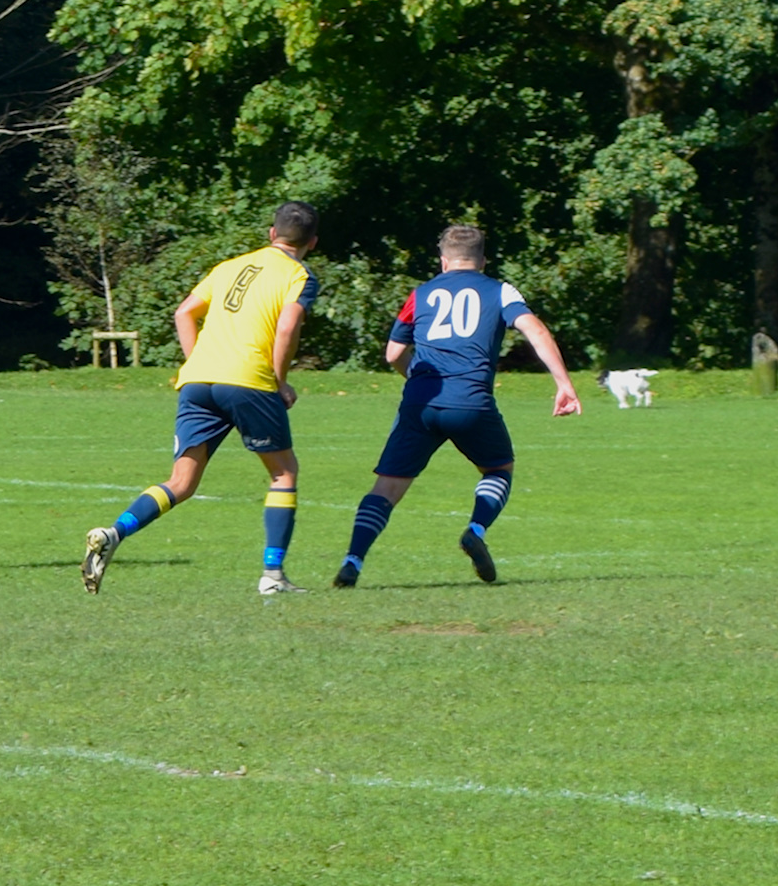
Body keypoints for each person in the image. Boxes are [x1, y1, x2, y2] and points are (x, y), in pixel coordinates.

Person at [82, 201, 320, 597]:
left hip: (197, 380)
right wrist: (280, 381)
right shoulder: (299, 274)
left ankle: (113, 532)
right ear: (312, 242)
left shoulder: (229, 266)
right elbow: (289, 325)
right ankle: (273, 575)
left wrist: (197, 362)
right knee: (283, 472)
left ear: (271, 234)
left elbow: (184, 313)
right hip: (249, 380)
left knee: (181, 481)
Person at [332, 224, 580, 589]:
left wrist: (416, 380)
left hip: (421, 403)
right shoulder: (500, 290)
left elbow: (393, 354)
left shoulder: (422, 293)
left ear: (443, 261)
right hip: (471, 402)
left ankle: (353, 560)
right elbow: (536, 331)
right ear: (483, 260)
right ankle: (475, 529)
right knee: (498, 469)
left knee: (386, 489)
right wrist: (564, 384)